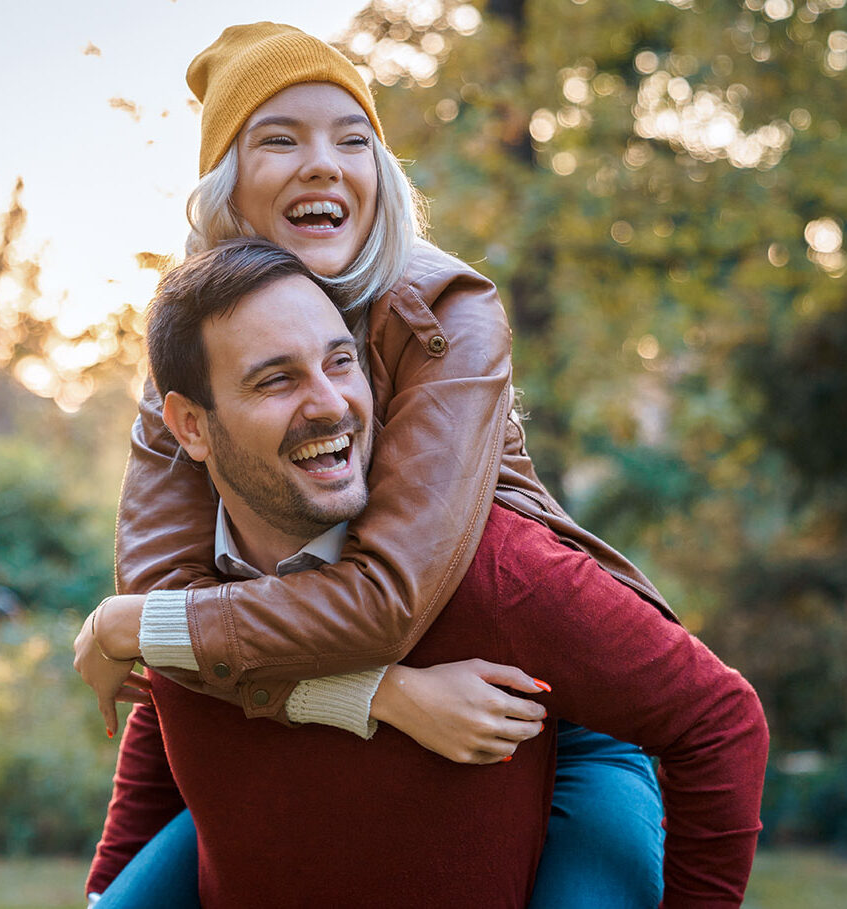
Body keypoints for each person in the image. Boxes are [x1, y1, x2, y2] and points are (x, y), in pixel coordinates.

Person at [73, 21, 711, 906]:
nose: (324, 163)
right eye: (280, 138)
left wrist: (127, 625)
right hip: (313, 678)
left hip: (549, 708)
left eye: (352, 137)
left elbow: (381, 599)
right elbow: (175, 611)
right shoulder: (190, 359)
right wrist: (380, 696)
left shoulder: (443, 313)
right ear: (227, 188)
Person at [85, 238, 766, 907]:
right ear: (190, 426)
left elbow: (719, 720)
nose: (329, 402)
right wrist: (384, 694)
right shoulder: (178, 597)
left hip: (579, 746)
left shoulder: (498, 570)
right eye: (276, 378)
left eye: (340, 361)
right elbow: (172, 723)